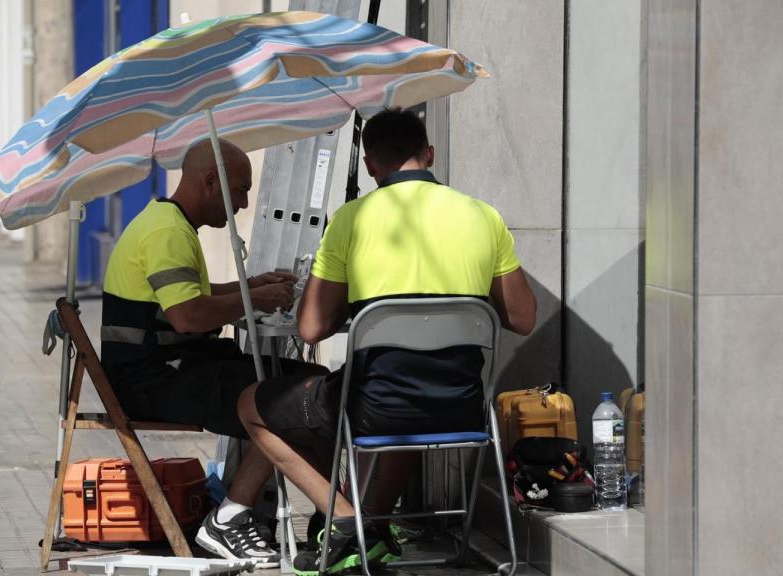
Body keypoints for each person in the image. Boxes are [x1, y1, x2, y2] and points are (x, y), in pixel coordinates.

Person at [237, 108, 538, 575]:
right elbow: (522, 317)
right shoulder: (484, 216)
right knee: (402, 400)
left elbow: (311, 328)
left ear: (371, 164)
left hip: (375, 408)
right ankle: (368, 529)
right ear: (429, 154)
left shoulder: (351, 220)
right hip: (461, 406)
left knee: (252, 404)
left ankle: (346, 523)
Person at [100, 138, 326, 566]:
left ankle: (325, 511)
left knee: (312, 383)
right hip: (154, 379)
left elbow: (190, 296)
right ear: (210, 182)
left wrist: (251, 285)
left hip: (173, 367)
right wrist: (254, 301)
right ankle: (230, 518)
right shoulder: (168, 232)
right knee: (285, 399)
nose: (242, 204)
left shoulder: (168, 222)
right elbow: (188, 315)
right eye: (239, 190)